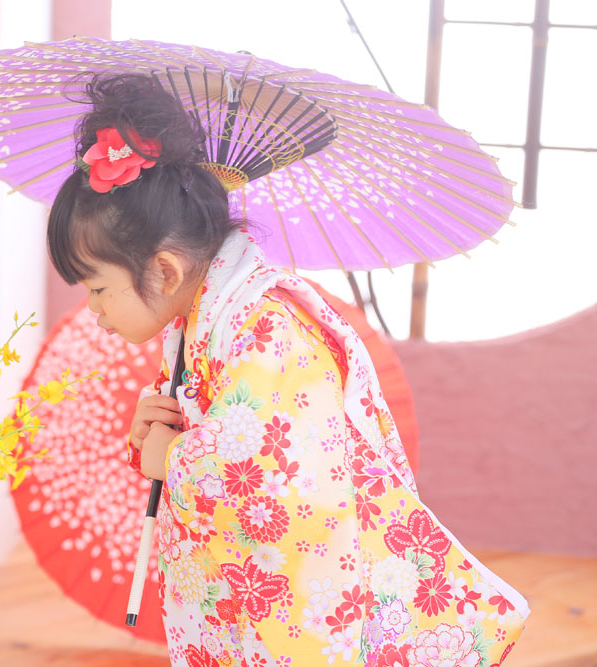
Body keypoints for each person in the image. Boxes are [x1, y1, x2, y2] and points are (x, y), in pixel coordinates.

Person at [47, 74, 529, 666]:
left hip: (302, 597)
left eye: (97, 288)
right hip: (241, 590)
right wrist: (158, 424)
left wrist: (173, 458)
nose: (93, 310)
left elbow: (278, 475)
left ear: (166, 271)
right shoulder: (202, 320)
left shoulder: (267, 328)